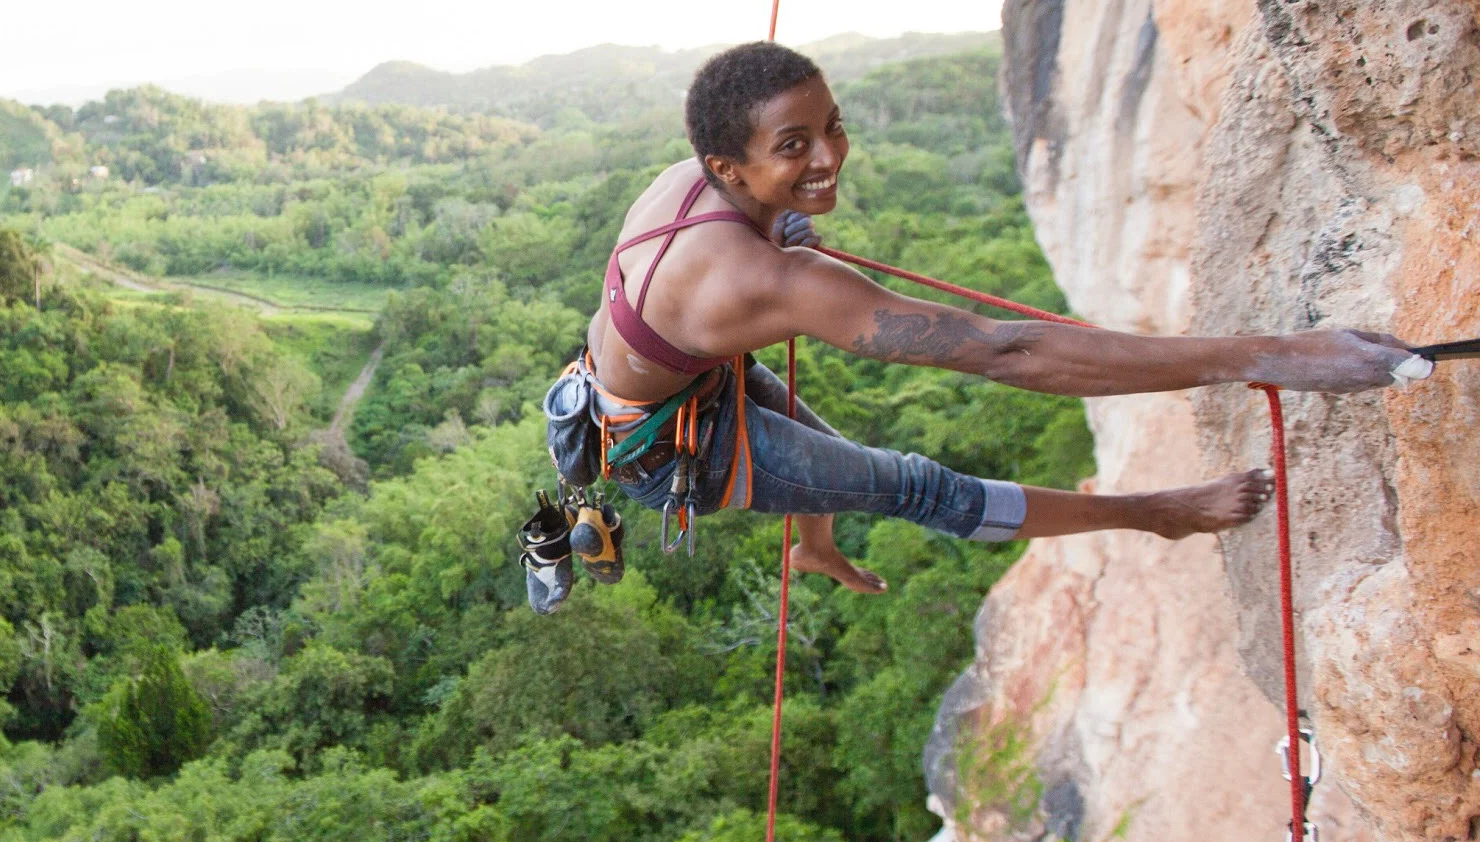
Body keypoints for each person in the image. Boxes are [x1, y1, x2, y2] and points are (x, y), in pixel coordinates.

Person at [544, 41, 1418, 597]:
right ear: (724, 165)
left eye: (831, 126)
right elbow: (1010, 351)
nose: (829, 155)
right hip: (668, 448)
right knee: (915, 485)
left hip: (657, 389)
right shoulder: (764, 280)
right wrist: (1268, 356)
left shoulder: (689, 182)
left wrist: (786, 207)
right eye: (793, 146)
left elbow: (753, 242)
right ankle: (1153, 510)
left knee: (832, 455)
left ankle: (813, 547)